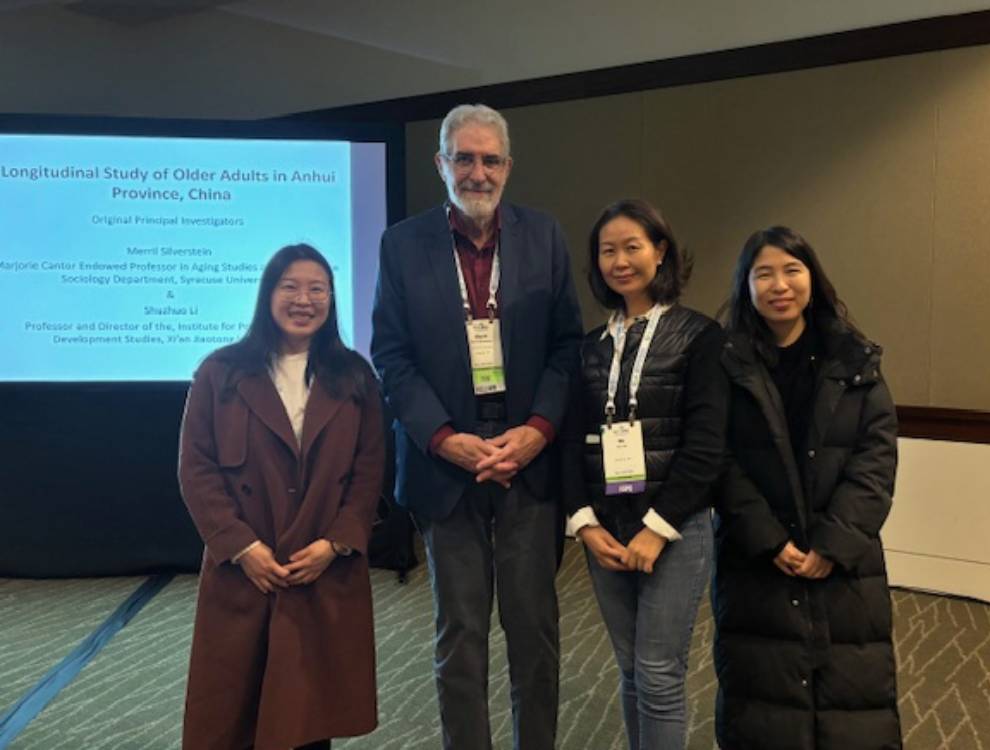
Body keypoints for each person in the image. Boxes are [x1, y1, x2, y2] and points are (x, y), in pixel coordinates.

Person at [370, 103, 583, 750]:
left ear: (509, 167)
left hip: (527, 463)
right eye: (464, 157)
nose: (478, 172)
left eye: (490, 159)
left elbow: (566, 347)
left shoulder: (544, 236)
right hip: (446, 466)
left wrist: (540, 429)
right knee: (459, 637)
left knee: (535, 634)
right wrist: (442, 439)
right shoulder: (402, 245)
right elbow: (392, 355)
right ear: (441, 163)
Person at [178, 243, 384, 750]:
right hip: (245, 570)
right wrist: (241, 547)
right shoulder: (220, 374)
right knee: (232, 715)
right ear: (267, 294)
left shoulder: (355, 378)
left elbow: (369, 471)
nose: (304, 299)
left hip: (320, 570)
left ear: (332, 300)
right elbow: (196, 468)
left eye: (318, 288)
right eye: (289, 286)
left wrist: (336, 544)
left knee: (308, 717)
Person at [712, 226, 901, 749]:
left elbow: (875, 459)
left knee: (852, 701)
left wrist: (831, 546)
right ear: (746, 286)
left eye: (792, 270)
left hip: (846, 566)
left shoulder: (855, 361)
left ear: (812, 280)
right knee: (763, 705)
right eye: (763, 273)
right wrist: (771, 540)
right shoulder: (726, 365)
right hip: (758, 562)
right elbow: (720, 462)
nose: (780, 285)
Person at [562, 199, 728, 750]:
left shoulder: (701, 336)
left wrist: (657, 528)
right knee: (631, 667)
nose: (621, 261)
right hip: (605, 530)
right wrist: (586, 526)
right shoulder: (589, 347)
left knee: (658, 671)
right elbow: (568, 443)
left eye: (633, 246)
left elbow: (707, 447)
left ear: (661, 252)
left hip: (675, 529)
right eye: (608, 251)